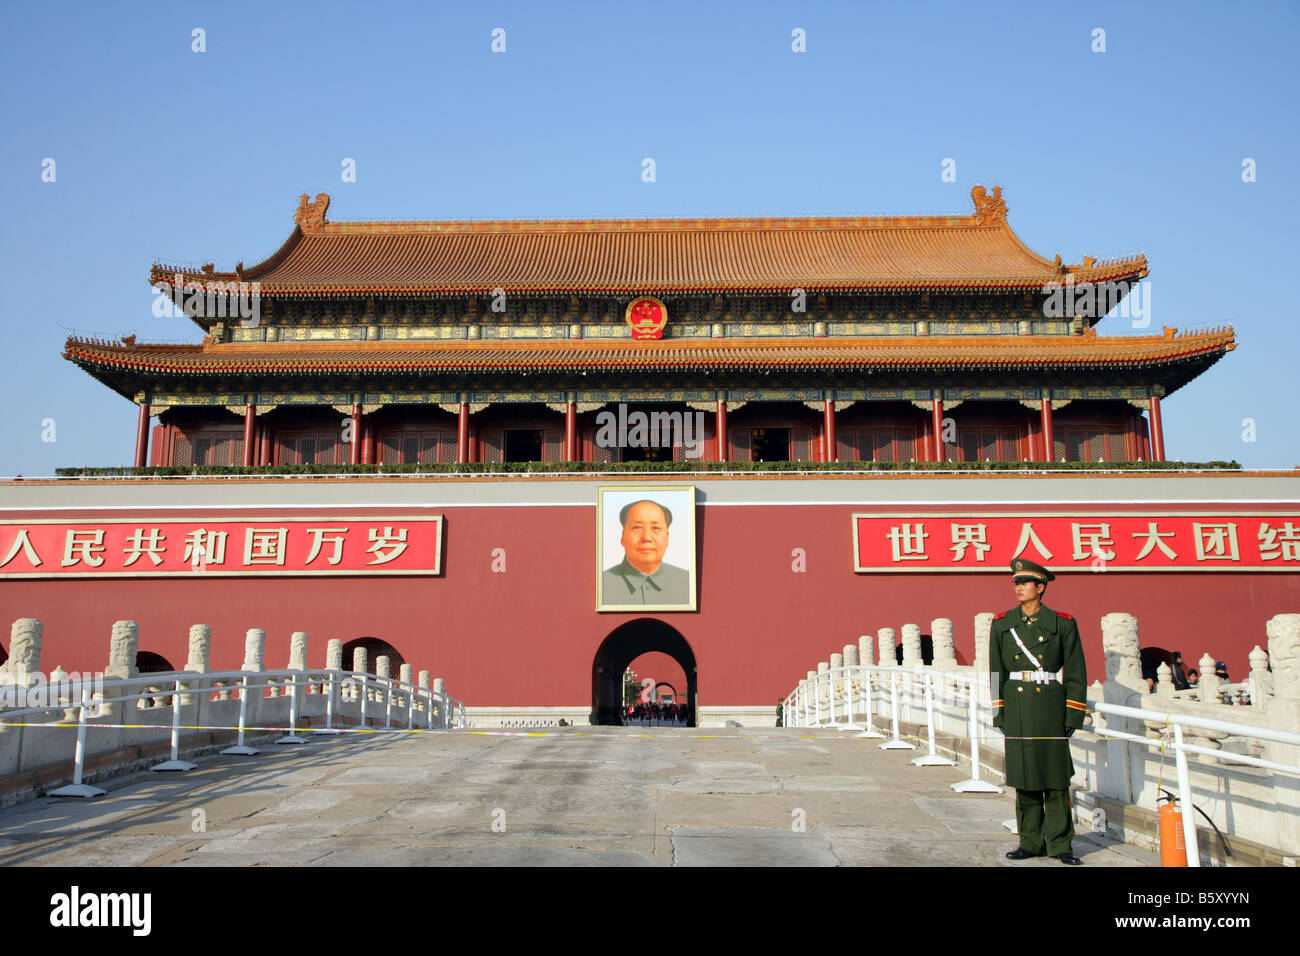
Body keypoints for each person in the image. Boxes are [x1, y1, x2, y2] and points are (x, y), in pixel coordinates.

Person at [989, 558, 1088, 866]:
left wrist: (1073, 714)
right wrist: (999, 711)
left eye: (1024, 583)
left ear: (1040, 587)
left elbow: (1075, 671)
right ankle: (1029, 841)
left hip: (1050, 705)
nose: (1018, 588)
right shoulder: (1003, 623)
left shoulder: (1063, 623)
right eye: (1016, 583)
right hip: (1017, 705)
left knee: (1056, 779)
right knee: (1025, 776)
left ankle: (1060, 844)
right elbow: (996, 672)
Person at [601, 499, 690, 605]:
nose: (647, 537)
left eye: (656, 528)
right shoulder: (601, 584)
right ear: (623, 537)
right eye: (637, 528)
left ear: (667, 538)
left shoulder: (689, 583)